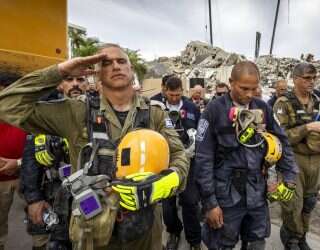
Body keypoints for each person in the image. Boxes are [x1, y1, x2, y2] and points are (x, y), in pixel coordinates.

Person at [0, 43, 189, 250]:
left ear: (131, 70)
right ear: (97, 74)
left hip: (144, 232)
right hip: (93, 233)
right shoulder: (76, 112)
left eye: (121, 61)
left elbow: (179, 154)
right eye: (107, 63)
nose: (116, 66)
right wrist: (59, 71)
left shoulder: (154, 113)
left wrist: (163, 183)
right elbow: (7, 106)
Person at [195, 61, 298, 250]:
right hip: (226, 196)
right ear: (231, 82)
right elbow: (203, 159)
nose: (249, 94)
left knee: (257, 241)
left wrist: (289, 177)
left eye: (254, 88)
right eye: (244, 88)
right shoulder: (214, 110)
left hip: (257, 192)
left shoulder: (263, 108)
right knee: (222, 243)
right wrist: (210, 204)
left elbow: (283, 141)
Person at [273, 63, 320, 250]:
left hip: (317, 160)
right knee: (290, 203)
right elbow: (280, 136)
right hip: (292, 160)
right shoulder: (283, 103)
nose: (311, 82)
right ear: (295, 79)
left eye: (314, 78)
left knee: (309, 201)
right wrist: (308, 128)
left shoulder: (319, 103)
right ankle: (291, 239)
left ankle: (301, 236)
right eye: (307, 78)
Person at [21, 75, 88, 250]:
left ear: (88, 84)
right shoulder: (45, 112)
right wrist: (33, 198)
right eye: (69, 79)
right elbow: (30, 161)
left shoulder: (98, 111)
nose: (75, 84)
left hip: (90, 195)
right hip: (55, 196)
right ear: (60, 85)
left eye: (80, 80)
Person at [161, 76, 201, 250]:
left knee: (190, 202)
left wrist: (195, 147)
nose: (175, 98)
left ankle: (194, 240)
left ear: (182, 92)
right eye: (171, 95)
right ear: (165, 91)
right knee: (168, 205)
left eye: (178, 94)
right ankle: (174, 232)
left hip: (188, 160)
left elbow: (200, 131)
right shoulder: (156, 107)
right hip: (165, 161)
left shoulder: (192, 107)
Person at [0, 78, 27, 250]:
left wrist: (17, 163)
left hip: (27, 177)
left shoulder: (27, 114)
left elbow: (41, 148)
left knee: (39, 217)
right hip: (1, 181)